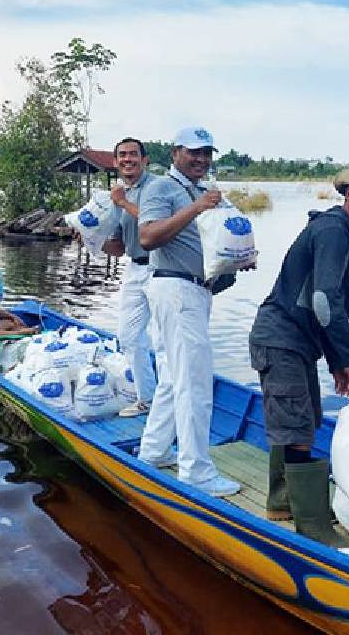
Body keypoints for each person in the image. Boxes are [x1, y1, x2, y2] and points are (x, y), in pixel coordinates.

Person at [248, 164, 349, 545]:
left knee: (303, 421)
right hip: (281, 339)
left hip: (296, 342)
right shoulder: (334, 230)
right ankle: (314, 528)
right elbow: (323, 304)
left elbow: (319, 303)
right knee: (299, 427)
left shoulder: (341, 230)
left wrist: (336, 360)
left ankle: (282, 502)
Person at [135, 126, 241, 497]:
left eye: (206, 153)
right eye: (193, 152)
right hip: (176, 289)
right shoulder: (161, 188)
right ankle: (196, 470)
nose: (201, 159)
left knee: (171, 376)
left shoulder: (203, 192)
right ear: (175, 152)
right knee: (194, 381)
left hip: (194, 291)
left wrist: (236, 257)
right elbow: (147, 237)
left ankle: (154, 450)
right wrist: (197, 208)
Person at [101, 136, 158, 417]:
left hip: (164, 269)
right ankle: (147, 399)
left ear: (144, 160)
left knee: (165, 340)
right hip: (135, 268)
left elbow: (156, 225)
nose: (127, 159)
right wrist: (93, 239)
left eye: (133, 154)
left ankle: (170, 401)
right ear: (115, 162)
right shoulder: (117, 196)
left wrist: (123, 203)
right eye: (122, 155)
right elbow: (118, 247)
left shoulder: (158, 187)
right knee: (129, 337)